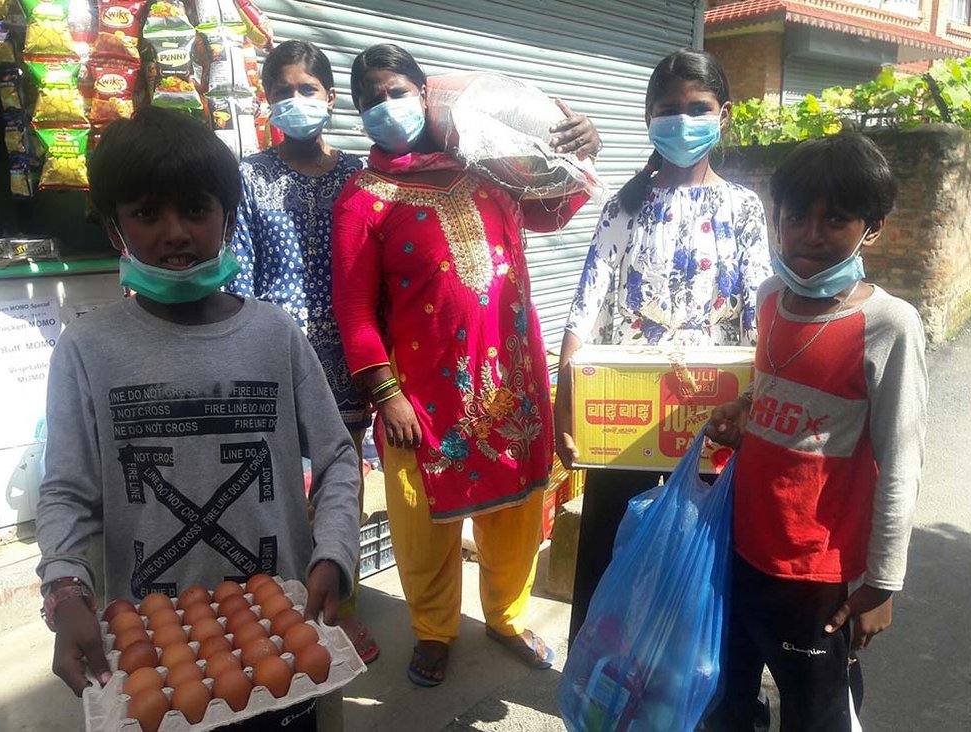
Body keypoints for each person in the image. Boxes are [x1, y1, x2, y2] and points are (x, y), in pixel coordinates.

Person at [35, 107, 360, 729]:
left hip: (281, 630)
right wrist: (66, 587)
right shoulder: (87, 349)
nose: (175, 231)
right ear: (115, 229)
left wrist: (335, 550)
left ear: (228, 219)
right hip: (152, 648)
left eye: (196, 209)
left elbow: (339, 455)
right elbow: (68, 492)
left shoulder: (274, 334)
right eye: (147, 213)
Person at [332, 43, 599, 687]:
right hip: (421, 394)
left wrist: (580, 148)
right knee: (422, 519)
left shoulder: (488, 166)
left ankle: (506, 617)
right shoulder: (363, 199)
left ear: (426, 93)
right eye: (369, 100)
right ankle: (432, 630)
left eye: (394, 91)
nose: (383, 106)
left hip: (513, 378)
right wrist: (385, 393)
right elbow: (355, 312)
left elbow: (554, 209)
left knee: (513, 512)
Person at [706, 133, 926, 730]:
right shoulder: (770, 297)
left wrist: (882, 584)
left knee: (816, 709)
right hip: (742, 544)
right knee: (729, 697)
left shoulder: (888, 324)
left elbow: (902, 461)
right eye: (795, 216)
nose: (810, 233)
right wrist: (746, 411)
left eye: (836, 219)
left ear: (871, 228)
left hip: (815, 570)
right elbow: (777, 390)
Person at [554, 49, 772, 642]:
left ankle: (684, 684)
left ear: (723, 115)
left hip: (713, 415)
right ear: (648, 119)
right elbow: (585, 309)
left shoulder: (744, 209)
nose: (683, 121)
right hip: (621, 418)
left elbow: (762, 318)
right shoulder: (623, 206)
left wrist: (755, 402)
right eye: (668, 110)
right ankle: (596, 676)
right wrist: (562, 409)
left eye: (697, 108)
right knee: (607, 548)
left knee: (702, 557)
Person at [228, 39, 379, 664]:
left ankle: (337, 610)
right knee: (281, 491)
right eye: (282, 91)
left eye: (307, 89)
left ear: (331, 97)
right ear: (266, 101)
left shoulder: (361, 176)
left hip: (349, 362)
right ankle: (287, 613)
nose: (295, 100)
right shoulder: (249, 177)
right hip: (276, 363)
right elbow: (239, 275)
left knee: (341, 484)